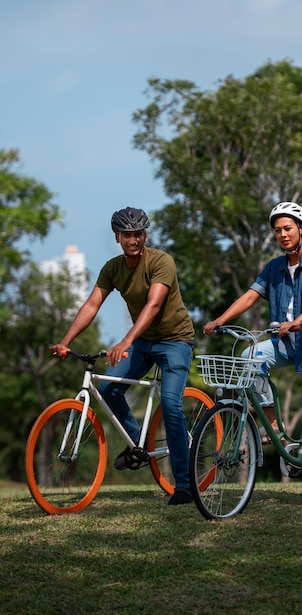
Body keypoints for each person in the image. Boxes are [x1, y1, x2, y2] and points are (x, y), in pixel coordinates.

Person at [203, 201, 302, 512]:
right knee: (251, 356)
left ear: (301, 229)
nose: (282, 234)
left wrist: (299, 321)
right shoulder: (275, 267)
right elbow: (251, 295)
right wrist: (220, 320)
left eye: (287, 228)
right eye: (277, 231)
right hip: (287, 344)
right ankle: (273, 428)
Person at [50, 207, 195, 506]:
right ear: (117, 237)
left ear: (145, 235)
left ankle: (184, 484)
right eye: (127, 234)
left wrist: (126, 340)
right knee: (109, 390)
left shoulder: (161, 261)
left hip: (175, 340)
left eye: (138, 234)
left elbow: (153, 305)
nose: (133, 239)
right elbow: (92, 304)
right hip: (143, 342)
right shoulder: (113, 268)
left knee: (170, 403)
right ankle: (139, 444)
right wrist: (65, 341)